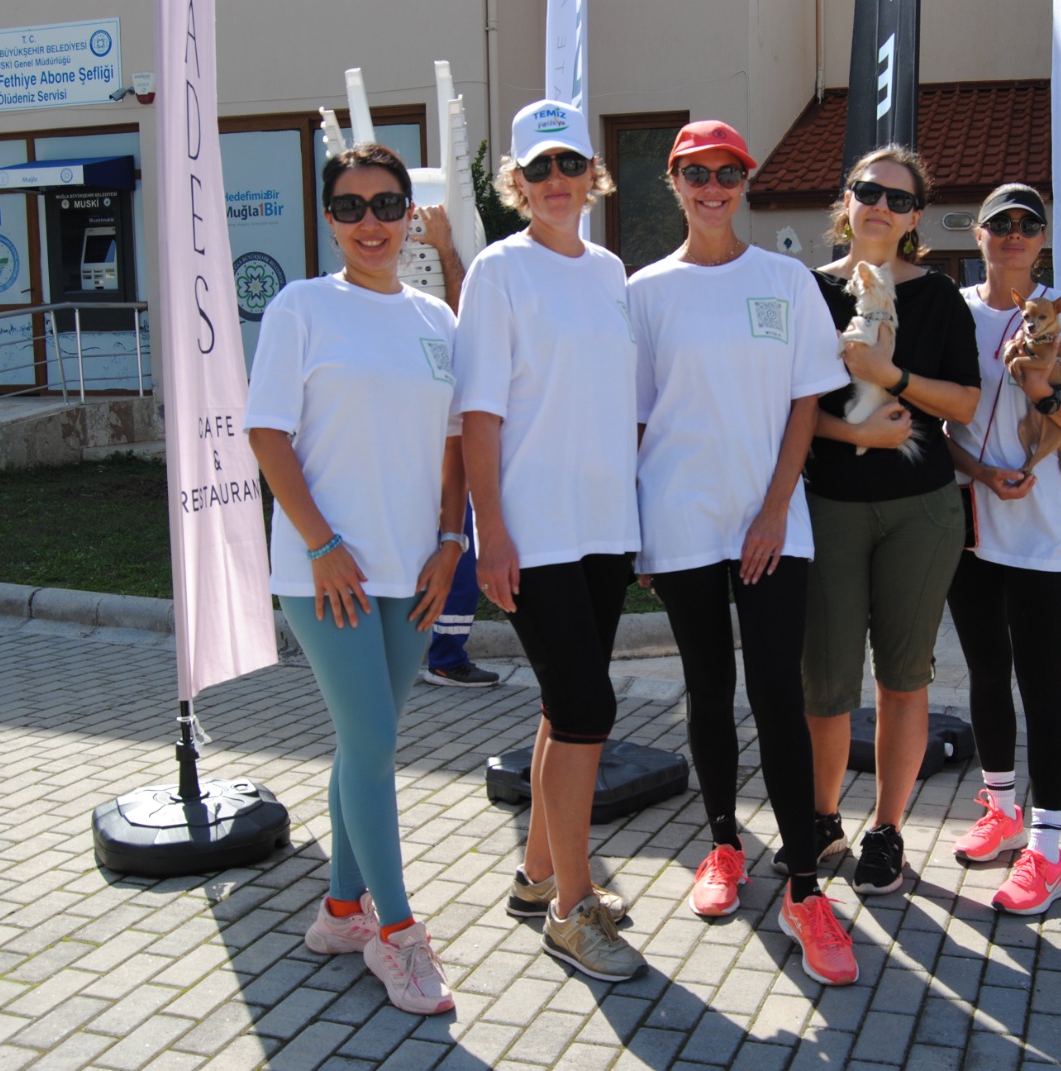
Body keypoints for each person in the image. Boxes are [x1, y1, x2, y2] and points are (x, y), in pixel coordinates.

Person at [629, 120, 858, 984]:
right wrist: (641, 528)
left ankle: (804, 885)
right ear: (676, 182)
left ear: (747, 180)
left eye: (728, 173)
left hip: (772, 521)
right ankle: (723, 843)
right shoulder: (646, 290)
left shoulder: (786, 280)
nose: (714, 187)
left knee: (777, 694)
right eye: (697, 173)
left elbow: (806, 402)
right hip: (682, 516)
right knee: (706, 688)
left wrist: (771, 508)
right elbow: (643, 418)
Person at [245, 144, 464, 1015]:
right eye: (350, 207)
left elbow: (455, 445)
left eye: (386, 205)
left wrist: (453, 539)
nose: (370, 222)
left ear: (411, 215)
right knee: (373, 747)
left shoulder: (438, 321)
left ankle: (341, 910)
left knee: (362, 747)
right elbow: (268, 436)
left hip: (411, 567)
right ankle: (400, 934)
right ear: (329, 219)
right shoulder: (303, 307)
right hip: (324, 567)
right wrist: (323, 543)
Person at [454, 100, 646, 980]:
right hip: (533, 532)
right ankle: (573, 909)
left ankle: (538, 876)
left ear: (591, 177)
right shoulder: (498, 271)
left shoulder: (610, 271)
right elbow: (479, 414)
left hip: (603, 526)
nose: (557, 183)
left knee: (562, 711)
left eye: (571, 166)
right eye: (540, 170)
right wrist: (489, 532)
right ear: (517, 184)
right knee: (586, 712)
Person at [800, 145, 980, 897]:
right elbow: (795, 408)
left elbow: (965, 403)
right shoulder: (807, 291)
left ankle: (888, 829)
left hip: (921, 509)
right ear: (847, 202)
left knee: (903, 681)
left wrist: (892, 377)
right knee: (826, 683)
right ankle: (818, 818)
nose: (880, 205)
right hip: (831, 505)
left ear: (913, 219)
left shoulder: (939, 295)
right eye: (867, 191)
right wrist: (855, 433)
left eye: (898, 199)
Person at [942, 184, 1061, 915]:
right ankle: (1002, 809)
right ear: (977, 235)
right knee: (985, 671)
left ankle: (1047, 851)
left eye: (1028, 224)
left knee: (1041, 682)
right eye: (1000, 223)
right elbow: (938, 416)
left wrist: (1042, 394)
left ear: (1043, 239)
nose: (1014, 233)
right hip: (971, 523)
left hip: (1042, 527)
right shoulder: (953, 310)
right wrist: (980, 472)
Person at [408, 205, 500, 690]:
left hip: (444, 431)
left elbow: (464, 317)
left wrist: (446, 249)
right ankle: (440, 655)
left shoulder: (431, 307)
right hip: (427, 434)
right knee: (452, 544)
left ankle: (441, 651)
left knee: (453, 544)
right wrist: (444, 249)